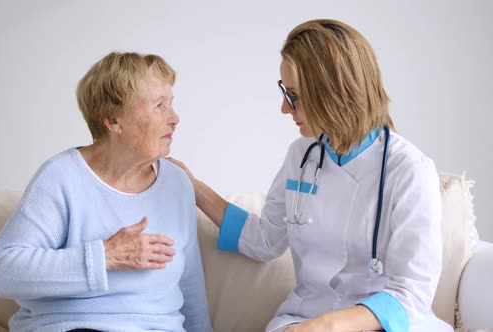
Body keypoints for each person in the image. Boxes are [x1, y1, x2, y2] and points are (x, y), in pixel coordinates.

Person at [167, 19, 452, 332]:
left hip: (380, 325)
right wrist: (194, 187)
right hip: (303, 318)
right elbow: (264, 240)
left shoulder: (408, 169)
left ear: (333, 92)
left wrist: (325, 327)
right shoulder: (301, 156)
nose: (284, 109)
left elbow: (410, 293)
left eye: (294, 95)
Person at [0, 52, 213, 332]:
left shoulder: (177, 184)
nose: (174, 119)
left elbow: (190, 286)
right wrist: (104, 257)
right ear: (113, 120)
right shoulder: (62, 176)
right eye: (159, 106)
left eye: (171, 104)